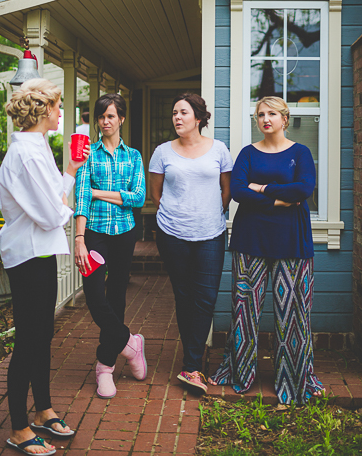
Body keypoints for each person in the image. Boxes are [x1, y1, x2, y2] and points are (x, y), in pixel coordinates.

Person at [0, 78, 89, 456]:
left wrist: (71, 167)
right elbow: (53, 213)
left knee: (43, 333)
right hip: (28, 253)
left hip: (41, 251)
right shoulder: (26, 155)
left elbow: (56, 197)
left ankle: (43, 409)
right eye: (56, 105)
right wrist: (64, 202)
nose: (60, 111)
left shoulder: (38, 148)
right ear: (41, 110)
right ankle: (19, 428)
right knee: (29, 340)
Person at [210, 97, 324, 403]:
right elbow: (237, 192)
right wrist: (278, 198)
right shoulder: (247, 153)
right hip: (251, 240)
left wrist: (260, 188)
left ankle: (294, 377)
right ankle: (241, 373)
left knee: (293, 313)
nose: (265, 118)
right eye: (260, 114)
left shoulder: (300, 152)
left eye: (272, 113)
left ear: (284, 118)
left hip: (292, 241)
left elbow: (303, 189)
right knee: (245, 310)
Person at [148, 93, 232, 394]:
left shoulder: (219, 149)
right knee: (184, 297)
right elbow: (156, 194)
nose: (177, 118)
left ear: (199, 118)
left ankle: (193, 362)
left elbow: (226, 190)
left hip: (211, 233)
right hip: (173, 234)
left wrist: (208, 213)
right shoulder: (162, 152)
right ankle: (193, 366)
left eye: (183, 112)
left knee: (206, 298)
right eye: (174, 113)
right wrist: (175, 213)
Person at [73, 93, 147, 398]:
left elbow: (138, 198)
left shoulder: (134, 156)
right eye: (101, 116)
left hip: (125, 233)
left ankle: (105, 367)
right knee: (94, 295)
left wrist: (98, 192)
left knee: (116, 296)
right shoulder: (87, 154)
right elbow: (80, 198)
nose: (105, 122)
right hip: (94, 234)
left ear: (121, 119)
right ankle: (131, 343)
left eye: (111, 116)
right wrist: (78, 238)